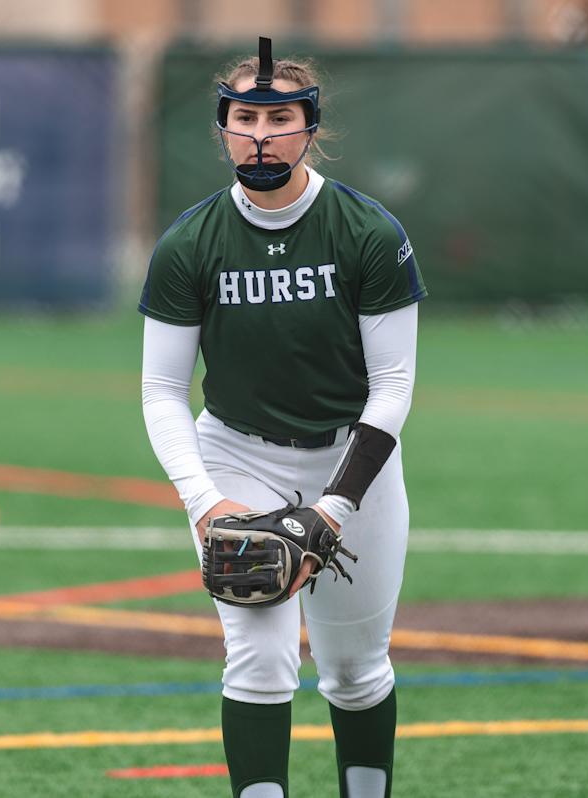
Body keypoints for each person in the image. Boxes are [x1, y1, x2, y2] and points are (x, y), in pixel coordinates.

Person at [139, 37, 425, 798]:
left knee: (356, 671)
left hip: (351, 464)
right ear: (222, 128)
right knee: (261, 661)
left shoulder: (367, 232)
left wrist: (333, 506)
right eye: (243, 118)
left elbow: (393, 385)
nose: (260, 135)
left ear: (309, 127)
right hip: (238, 455)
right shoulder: (189, 243)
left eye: (278, 118)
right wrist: (206, 501)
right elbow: (161, 390)